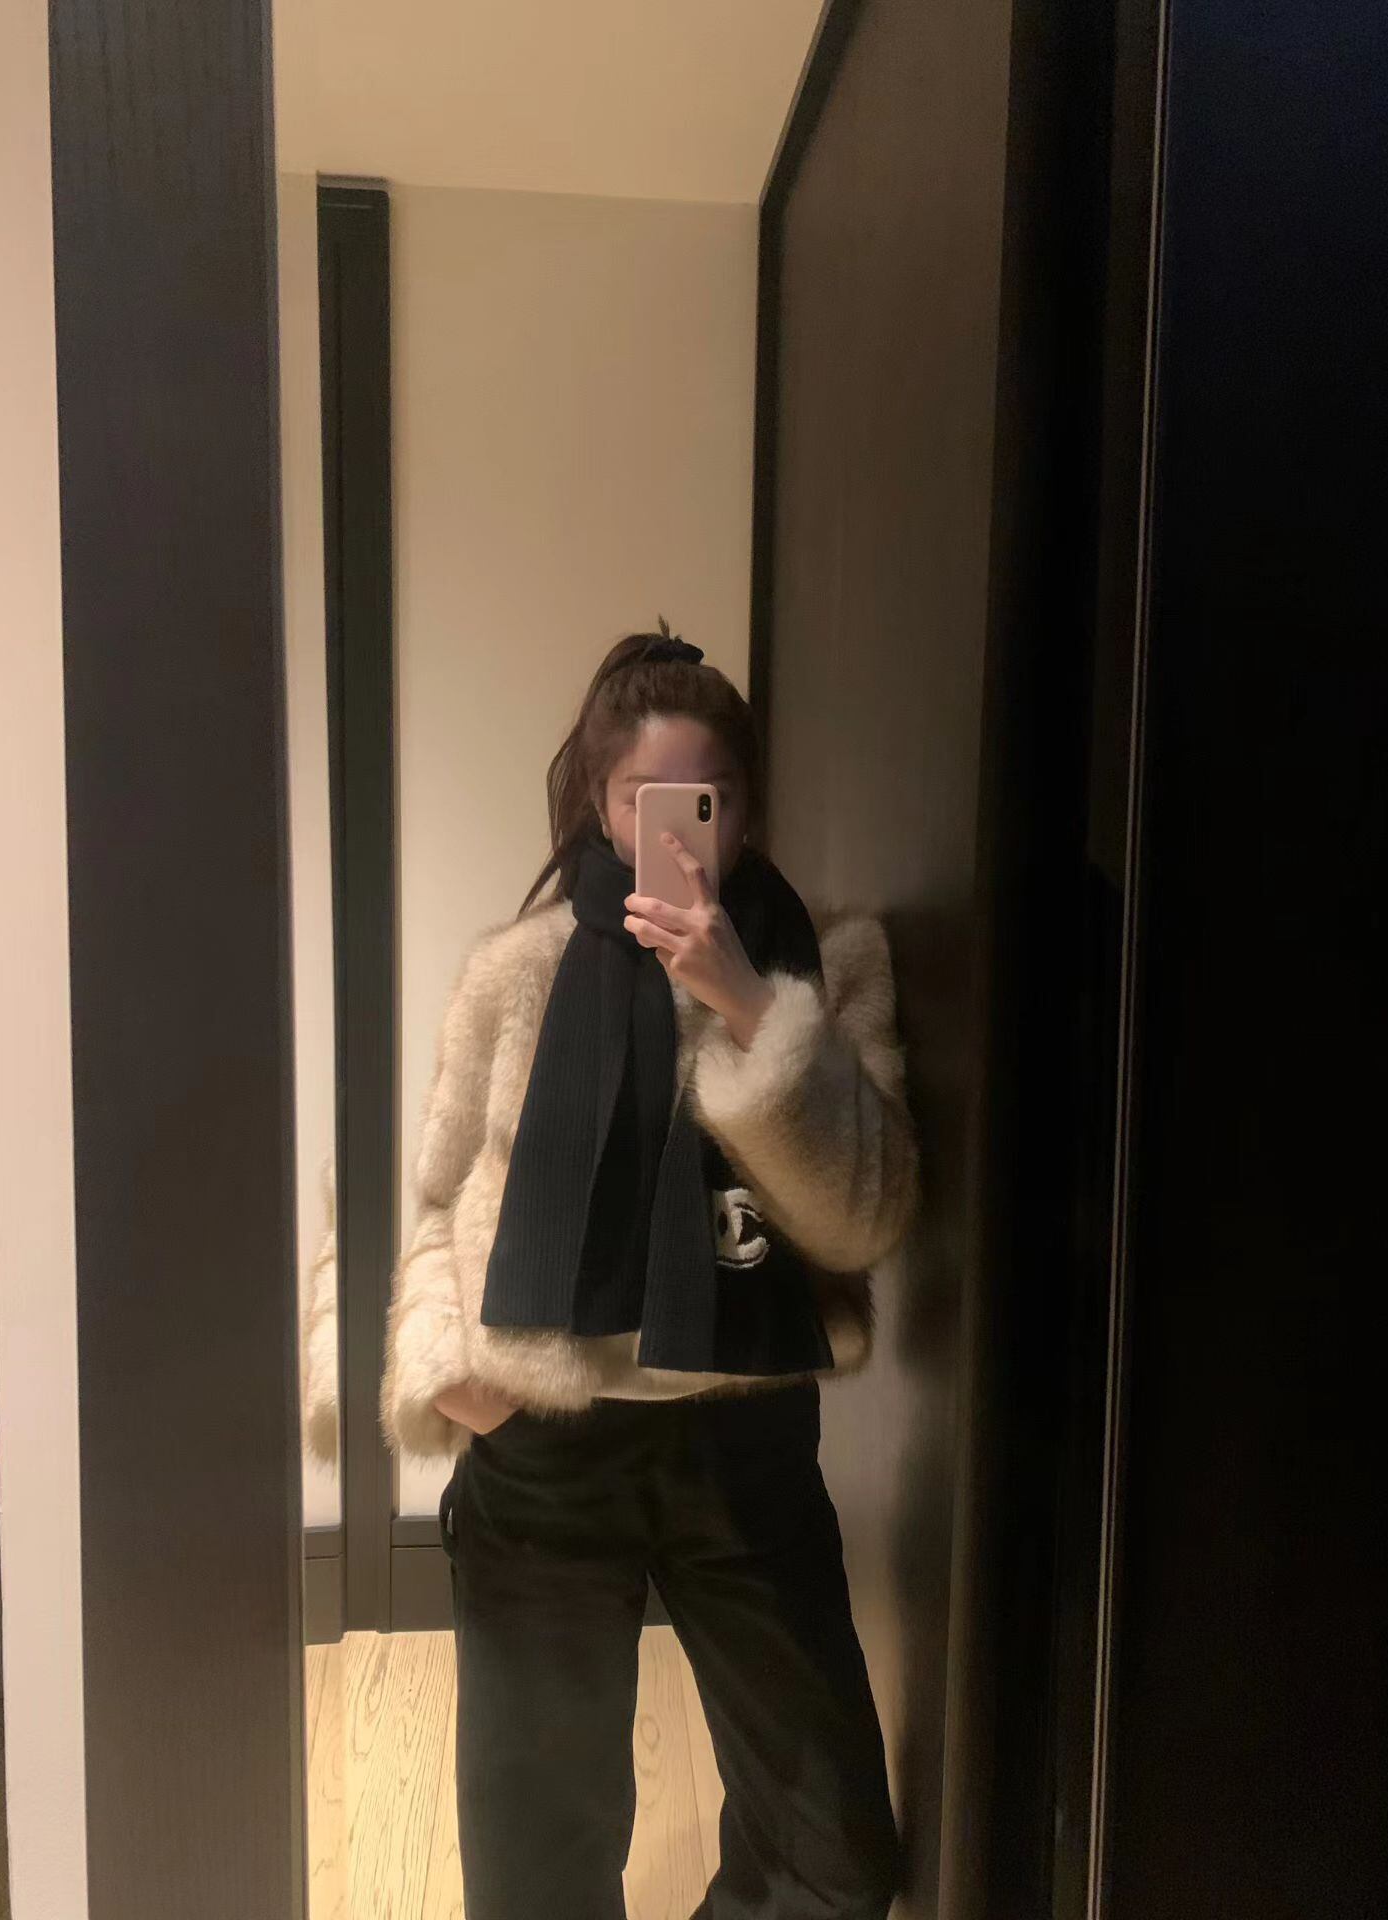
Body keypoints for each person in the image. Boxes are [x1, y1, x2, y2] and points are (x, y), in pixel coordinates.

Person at [383, 626, 918, 1920]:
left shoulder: (827, 964)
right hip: (543, 1453)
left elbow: (865, 1221)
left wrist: (752, 1012)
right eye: (646, 801)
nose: (679, 833)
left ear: (746, 806)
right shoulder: (518, 971)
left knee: (837, 1854)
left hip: (743, 1443)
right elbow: (441, 1199)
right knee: (539, 1866)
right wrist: (452, 1374)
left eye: (708, 802)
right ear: (599, 801)